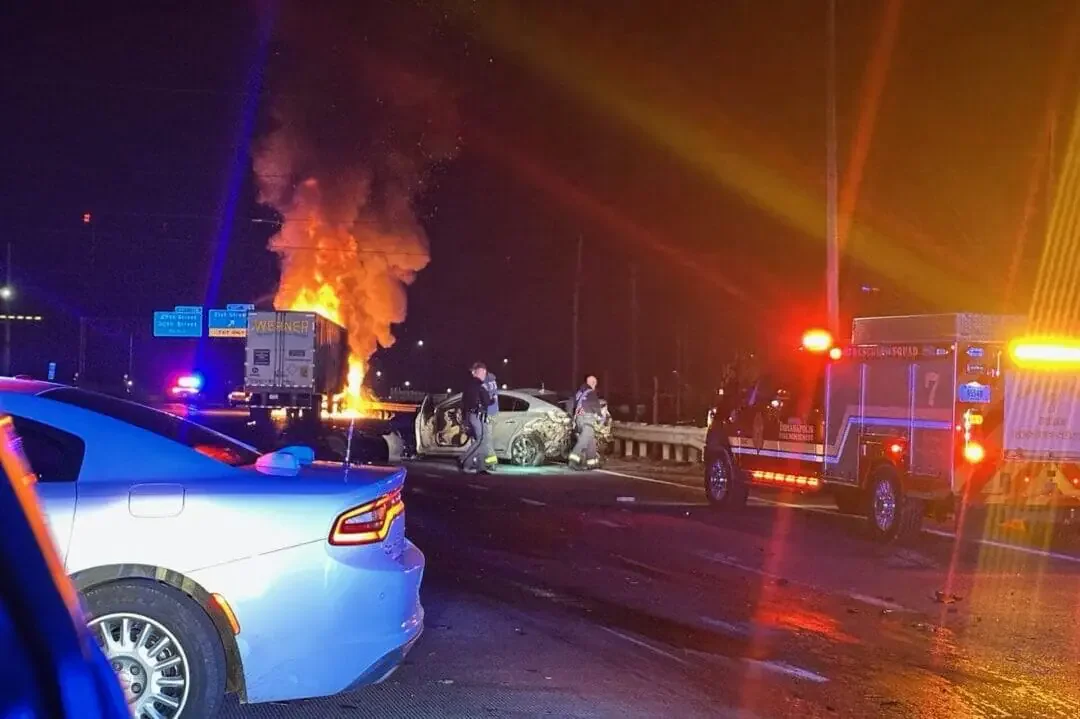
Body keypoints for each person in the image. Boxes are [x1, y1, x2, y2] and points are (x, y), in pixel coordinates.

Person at [459, 362, 491, 474]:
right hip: (476, 415)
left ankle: (481, 467)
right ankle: (464, 459)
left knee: (482, 441)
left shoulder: (473, 385)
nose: (484, 374)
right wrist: (491, 400)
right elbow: (481, 400)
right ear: (475, 372)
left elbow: (465, 402)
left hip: (476, 415)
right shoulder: (476, 385)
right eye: (482, 372)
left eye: (485, 372)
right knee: (481, 440)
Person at [569, 374, 603, 470]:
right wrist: (600, 417)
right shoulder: (591, 393)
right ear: (592, 383)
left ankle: (592, 463)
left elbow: (574, 405)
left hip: (579, 419)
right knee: (583, 441)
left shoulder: (579, 392)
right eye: (595, 383)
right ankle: (573, 461)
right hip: (587, 419)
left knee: (590, 441)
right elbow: (595, 406)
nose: (595, 385)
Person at [481, 369, 500, 471]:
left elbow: (484, 398)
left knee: (486, 440)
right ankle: (488, 462)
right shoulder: (492, 380)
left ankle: (491, 463)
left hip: (488, 412)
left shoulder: (485, 382)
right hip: (494, 411)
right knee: (488, 440)